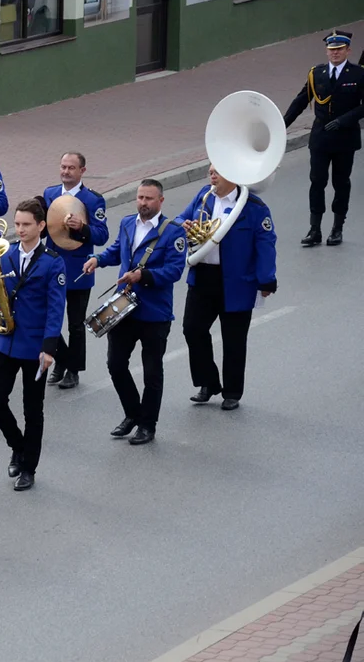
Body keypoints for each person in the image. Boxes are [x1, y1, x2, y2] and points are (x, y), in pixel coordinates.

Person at [82, 179, 187, 445]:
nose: (143, 203)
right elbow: (118, 250)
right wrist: (98, 259)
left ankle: (148, 425)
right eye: (140, 197)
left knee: (152, 372)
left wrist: (144, 275)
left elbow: (174, 271)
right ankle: (133, 414)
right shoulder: (128, 223)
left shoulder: (173, 232)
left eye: (149, 199)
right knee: (115, 364)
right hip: (124, 310)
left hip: (155, 314)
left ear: (161, 201)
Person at [178, 166, 277, 411]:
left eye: (217, 172)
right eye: (210, 171)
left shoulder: (254, 207)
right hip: (203, 277)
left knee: (234, 339)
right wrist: (184, 225)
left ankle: (232, 391)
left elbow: (265, 244)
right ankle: (208, 382)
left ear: (232, 176)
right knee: (192, 329)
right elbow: (180, 218)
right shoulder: (204, 196)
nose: (211, 176)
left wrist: (266, 279)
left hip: (237, 282)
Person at [0, 199, 65, 491]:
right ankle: (18, 447)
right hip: (5, 341)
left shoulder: (52, 262)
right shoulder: (4, 256)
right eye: (17, 224)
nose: (19, 229)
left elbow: (56, 309)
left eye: (26, 224)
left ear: (41, 226)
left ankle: (29, 467)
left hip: (34, 346)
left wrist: (49, 348)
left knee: (33, 410)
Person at [283, 29, 364, 247]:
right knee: (317, 182)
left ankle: (337, 228)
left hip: (345, 138)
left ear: (348, 50)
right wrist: (281, 125)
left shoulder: (358, 74)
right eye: (331, 49)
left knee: (341, 183)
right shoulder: (316, 73)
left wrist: (343, 120)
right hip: (320, 138)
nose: (335, 53)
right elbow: (301, 101)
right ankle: (315, 229)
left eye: (339, 49)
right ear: (326, 51)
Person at [43, 151, 109, 390]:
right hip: (52, 266)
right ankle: (61, 360)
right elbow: (43, 229)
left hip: (78, 268)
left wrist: (82, 228)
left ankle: (73, 370)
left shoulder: (92, 200)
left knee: (75, 324)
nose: (65, 172)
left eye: (71, 168)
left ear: (82, 171)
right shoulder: (50, 194)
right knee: (48, 317)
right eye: (62, 167)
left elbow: (102, 235)